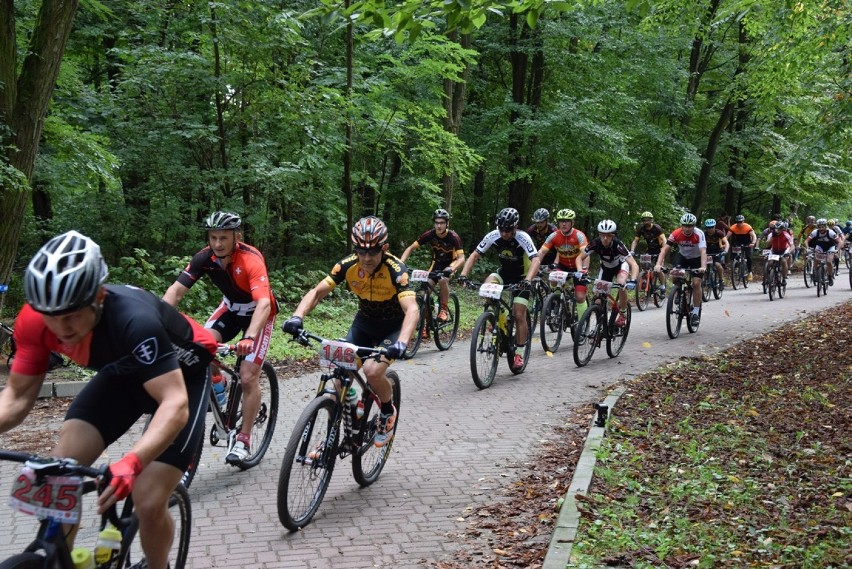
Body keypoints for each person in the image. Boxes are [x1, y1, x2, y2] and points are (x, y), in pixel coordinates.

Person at [0, 231, 217, 569]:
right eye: (50, 315)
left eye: (71, 314)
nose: (60, 327)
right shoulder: (34, 321)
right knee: (61, 474)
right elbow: (15, 398)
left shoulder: (134, 320)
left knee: (147, 499)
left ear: (98, 297)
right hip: (122, 375)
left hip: (181, 379)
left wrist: (131, 462)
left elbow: (174, 406)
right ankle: (60, 560)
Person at [282, 216, 418, 447]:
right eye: (360, 251)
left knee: (373, 371)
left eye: (372, 252)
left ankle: (387, 410)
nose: (366, 258)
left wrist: (402, 343)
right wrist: (297, 316)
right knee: (336, 369)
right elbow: (317, 292)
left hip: (393, 327)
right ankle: (351, 408)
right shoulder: (347, 265)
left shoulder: (397, 270)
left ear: (384, 248)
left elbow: (412, 309)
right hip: (364, 323)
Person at [163, 211, 278, 465]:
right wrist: (155, 318)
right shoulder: (204, 258)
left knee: (248, 376)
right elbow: (176, 291)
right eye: (213, 237)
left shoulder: (251, 259)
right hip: (230, 309)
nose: (217, 243)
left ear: (237, 236)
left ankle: (244, 439)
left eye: (223, 238)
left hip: (259, 314)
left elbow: (263, 305)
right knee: (201, 346)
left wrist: (249, 337)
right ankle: (219, 385)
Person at [459, 207, 541, 371]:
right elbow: (475, 255)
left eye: (508, 230)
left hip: (522, 278)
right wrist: (463, 275)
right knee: (487, 286)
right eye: (502, 229)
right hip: (504, 273)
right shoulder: (493, 235)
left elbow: (536, 260)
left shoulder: (523, 237)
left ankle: (519, 353)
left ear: (515, 227)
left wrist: (528, 280)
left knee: (519, 314)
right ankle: (498, 318)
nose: (504, 233)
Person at [399, 209, 465, 327]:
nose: (439, 226)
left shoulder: (453, 237)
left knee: (442, 279)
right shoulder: (429, 234)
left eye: (442, 223)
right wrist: (401, 263)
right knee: (424, 293)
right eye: (436, 223)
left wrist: (452, 269)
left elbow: (461, 258)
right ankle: (427, 323)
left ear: (447, 223)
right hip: (436, 264)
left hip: (451, 264)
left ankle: (444, 309)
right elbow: (410, 248)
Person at [575, 220, 638, 326]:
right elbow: (579, 258)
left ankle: (622, 312)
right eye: (602, 235)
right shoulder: (595, 243)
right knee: (598, 300)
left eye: (608, 236)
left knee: (621, 283)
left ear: (613, 236)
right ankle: (600, 325)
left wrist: (633, 280)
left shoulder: (618, 245)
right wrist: (580, 271)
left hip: (620, 267)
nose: (605, 238)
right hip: (606, 269)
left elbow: (634, 264)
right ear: (599, 234)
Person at [655, 213, 707, 327]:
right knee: (674, 275)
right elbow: (664, 250)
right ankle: (678, 292)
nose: (688, 228)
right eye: (685, 226)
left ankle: (695, 312)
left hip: (697, 259)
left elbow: (703, 251)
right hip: (683, 257)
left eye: (690, 226)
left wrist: (703, 266)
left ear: (694, 226)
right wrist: (658, 264)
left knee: (696, 283)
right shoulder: (676, 233)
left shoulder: (699, 234)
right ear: (681, 226)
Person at [537, 208, 590, 311]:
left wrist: (584, 270)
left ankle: (582, 324)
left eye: (566, 221)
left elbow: (586, 254)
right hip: (563, 265)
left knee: (579, 297)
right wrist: (534, 267)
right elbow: (541, 252)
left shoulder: (579, 235)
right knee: (552, 277)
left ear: (572, 222)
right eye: (561, 221)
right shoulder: (554, 236)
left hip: (578, 267)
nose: (563, 224)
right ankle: (557, 300)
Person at [629, 211, 668, 294]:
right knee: (644, 265)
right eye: (644, 220)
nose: (646, 222)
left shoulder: (657, 228)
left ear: (651, 220)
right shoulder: (641, 228)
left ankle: (663, 285)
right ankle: (646, 281)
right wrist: (632, 251)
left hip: (659, 250)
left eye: (648, 220)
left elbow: (664, 240)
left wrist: (663, 251)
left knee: (658, 269)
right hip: (650, 249)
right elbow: (635, 241)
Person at [806, 218, 841, 286]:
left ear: (825, 226)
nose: (821, 228)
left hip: (830, 247)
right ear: (817, 227)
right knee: (816, 258)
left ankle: (830, 277)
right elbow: (806, 241)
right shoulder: (815, 232)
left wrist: (837, 250)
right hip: (820, 246)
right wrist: (807, 248)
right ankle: (816, 273)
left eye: (823, 227)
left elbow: (840, 241)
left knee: (828, 261)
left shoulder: (830, 232)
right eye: (819, 227)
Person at [725, 214, 757, 280]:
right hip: (738, 242)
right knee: (735, 255)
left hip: (747, 242)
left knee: (748, 257)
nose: (739, 224)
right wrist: (724, 242)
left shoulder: (747, 227)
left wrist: (753, 243)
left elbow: (754, 236)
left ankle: (750, 272)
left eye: (741, 222)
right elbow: (727, 237)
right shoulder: (733, 227)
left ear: (743, 221)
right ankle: (736, 266)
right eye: (737, 222)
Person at [763, 221, 794, 285]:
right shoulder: (771, 234)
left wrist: (788, 252)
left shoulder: (786, 235)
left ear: (782, 229)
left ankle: (784, 278)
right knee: (770, 263)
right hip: (774, 250)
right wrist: (773, 237)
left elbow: (792, 246)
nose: (777, 230)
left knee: (783, 261)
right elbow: (767, 245)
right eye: (776, 229)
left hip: (784, 249)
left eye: (779, 229)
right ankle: (768, 277)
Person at [703, 218, 728, 285]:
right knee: (703, 266)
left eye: (712, 227)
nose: (710, 229)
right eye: (708, 227)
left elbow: (726, 242)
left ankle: (721, 280)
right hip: (707, 251)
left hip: (718, 251)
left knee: (717, 264)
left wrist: (726, 250)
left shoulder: (719, 233)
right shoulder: (703, 234)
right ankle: (706, 279)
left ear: (714, 226)